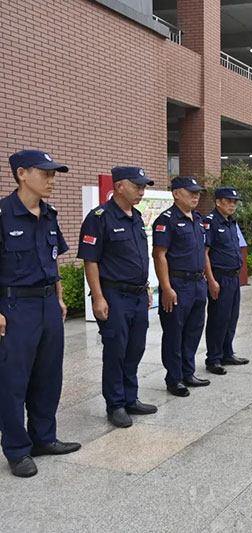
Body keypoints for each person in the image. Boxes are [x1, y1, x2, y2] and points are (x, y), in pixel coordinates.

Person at [0, 150, 81, 477]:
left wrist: (59, 298)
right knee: (12, 380)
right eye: (45, 173)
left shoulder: (49, 214)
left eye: (54, 174)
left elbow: (54, 259)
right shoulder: (3, 213)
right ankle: (17, 450)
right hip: (15, 307)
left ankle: (43, 438)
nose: (52, 180)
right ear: (22, 173)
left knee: (49, 376)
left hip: (48, 305)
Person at [78, 166, 158, 428]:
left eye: (144, 187)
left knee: (135, 348)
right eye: (137, 186)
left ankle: (130, 398)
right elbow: (91, 261)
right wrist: (98, 298)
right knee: (116, 350)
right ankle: (115, 404)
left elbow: (137, 257)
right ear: (120, 186)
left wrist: (146, 287)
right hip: (114, 295)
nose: (141, 191)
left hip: (137, 294)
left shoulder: (135, 216)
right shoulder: (99, 217)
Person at [152, 176, 210, 397]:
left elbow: (203, 253)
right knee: (174, 333)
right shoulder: (166, 220)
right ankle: (174, 378)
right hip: (178, 284)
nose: (196, 196)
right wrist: (166, 287)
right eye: (191, 192)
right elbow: (159, 255)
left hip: (197, 284)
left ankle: (188, 372)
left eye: (197, 192)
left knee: (193, 330)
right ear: (176, 193)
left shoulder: (197, 219)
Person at [203, 186, 249, 375]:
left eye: (235, 202)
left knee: (231, 317)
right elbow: (204, 253)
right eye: (229, 201)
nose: (232, 205)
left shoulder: (231, 222)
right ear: (218, 202)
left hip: (233, 277)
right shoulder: (210, 222)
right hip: (219, 277)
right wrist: (211, 280)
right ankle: (213, 358)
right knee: (218, 318)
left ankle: (226, 352)